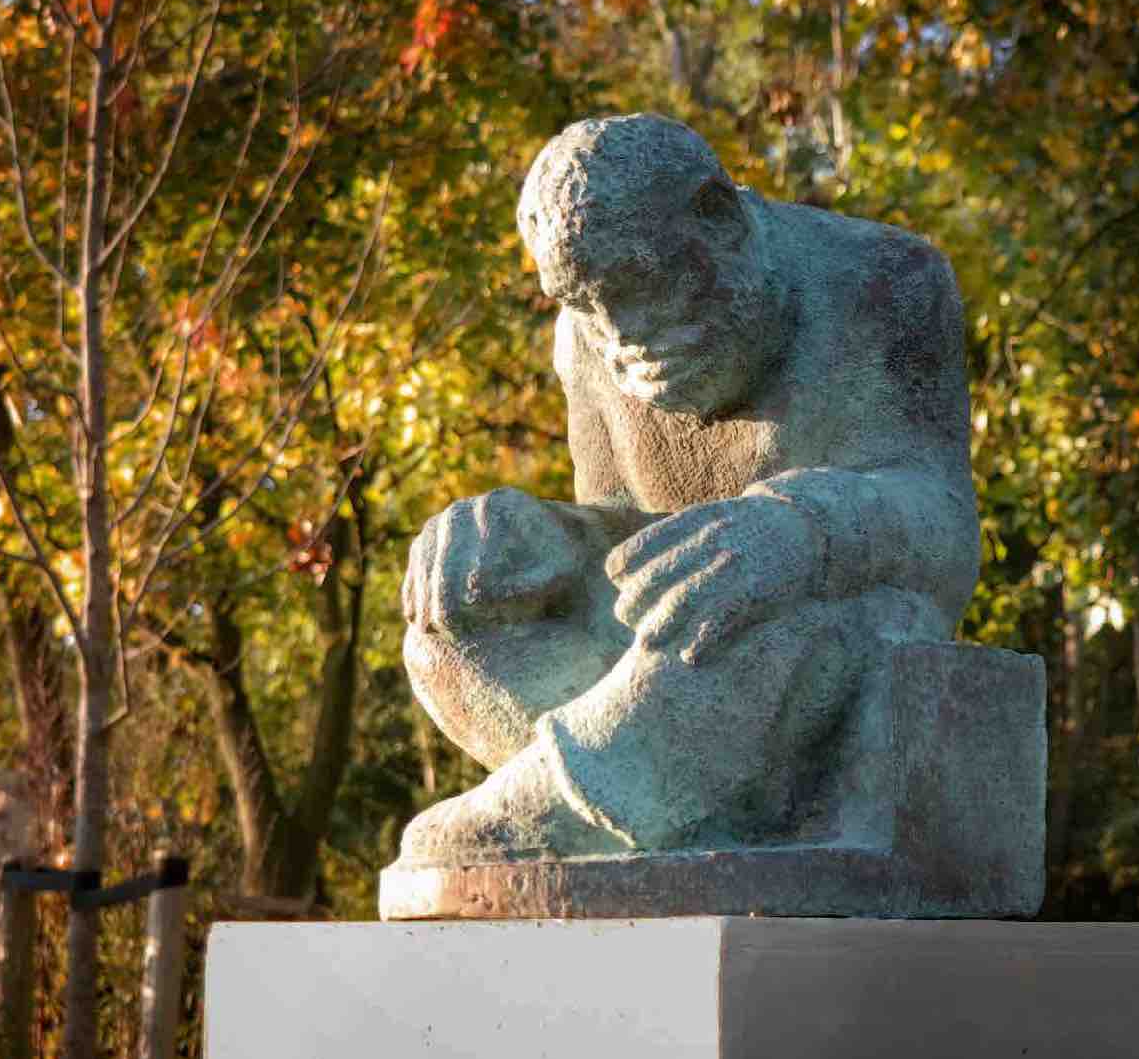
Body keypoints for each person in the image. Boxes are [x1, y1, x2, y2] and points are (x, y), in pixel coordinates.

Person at [395, 114, 980, 867]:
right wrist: (532, 534)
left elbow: (945, 532)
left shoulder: (886, 279)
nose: (617, 330)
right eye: (583, 300)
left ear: (721, 220)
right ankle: (676, 795)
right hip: (681, 668)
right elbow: (620, 535)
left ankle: (590, 795)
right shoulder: (587, 334)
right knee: (449, 617)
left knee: (745, 611)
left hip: (838, 622)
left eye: (639, 283)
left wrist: (803, 530)